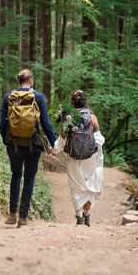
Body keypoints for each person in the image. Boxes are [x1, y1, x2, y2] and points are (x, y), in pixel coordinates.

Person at [0, 69, 56, 228]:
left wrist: (7, 142)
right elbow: (46, 124)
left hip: (14, 144)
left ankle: (11, 215)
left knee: (16, 175)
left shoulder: (8, 97)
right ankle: (23, 218)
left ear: (19, 81)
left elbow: (2, 124)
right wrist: (55, 143)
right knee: (29, 178)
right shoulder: (38, 97)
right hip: (33, 144)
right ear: (31, 81)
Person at [51, 90, 105, 226]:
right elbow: (98, 139)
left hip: (73, 157)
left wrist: (55, 150)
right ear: (86, 101)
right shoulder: (93, 118)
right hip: (91, 157)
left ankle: (79, 218)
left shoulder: (69, 117)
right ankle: (87, 218)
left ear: (72, 102)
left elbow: (62, 138)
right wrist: (99, 157)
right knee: (89, 186)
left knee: (76, 187)